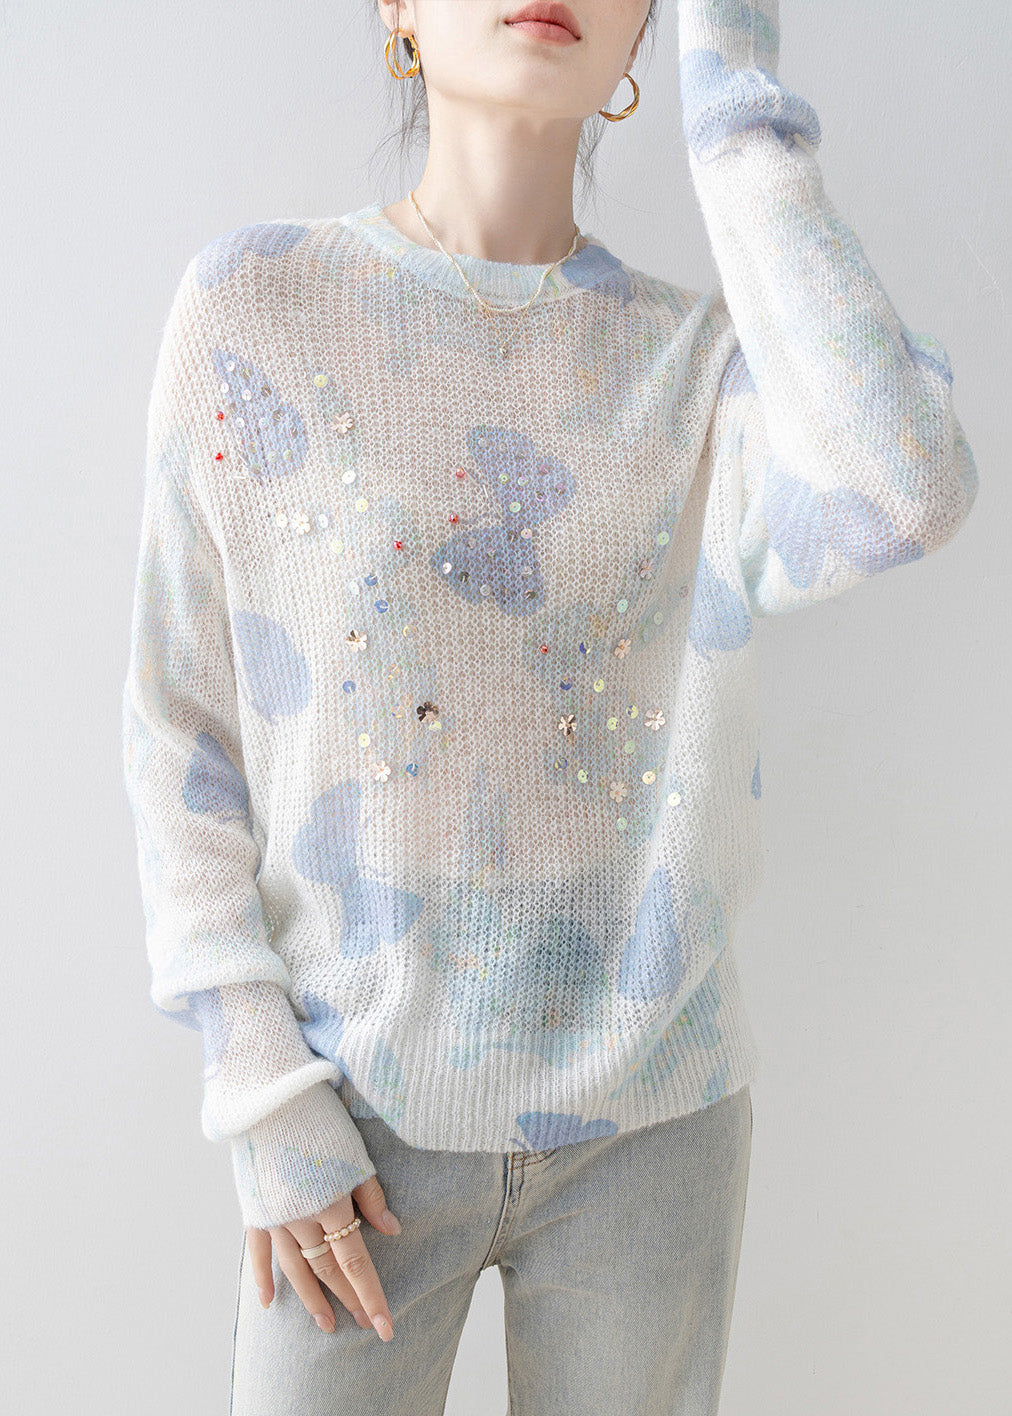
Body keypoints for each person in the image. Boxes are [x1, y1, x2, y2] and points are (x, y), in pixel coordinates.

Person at [120, 2, 978, 1412]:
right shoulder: (256, 306)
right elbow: (182, 733)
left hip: (656, 1129)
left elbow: (909, 486)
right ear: (397, 8)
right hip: (351, 1122)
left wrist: (738, 105)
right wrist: (263, 1094)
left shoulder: (699, 368)